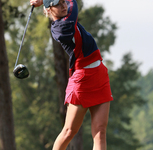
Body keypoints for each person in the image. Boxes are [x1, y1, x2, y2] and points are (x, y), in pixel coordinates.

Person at [30, 0, 113, 149]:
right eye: (58, 4)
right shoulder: (61, 27)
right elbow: (73, 3)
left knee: (100, 132)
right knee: (69, 131)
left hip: (99, 74)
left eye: (63, 2)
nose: (63, 6)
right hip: (82, 80)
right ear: (48, 10)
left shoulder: (65, 17)